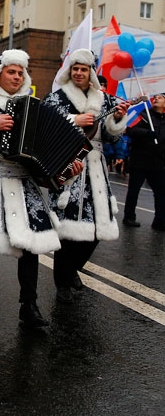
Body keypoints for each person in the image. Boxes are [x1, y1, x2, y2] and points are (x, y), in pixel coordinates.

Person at [0, 49, 75, 327]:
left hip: (24, 186)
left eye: (20, 73)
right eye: (11, 71)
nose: (16, 77)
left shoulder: (33, 105)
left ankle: (29, 305)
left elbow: (47, 150)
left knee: (31, 247)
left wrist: (67, 169)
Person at [43, 48, 129, 304]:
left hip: (97, 172)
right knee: (68, 231)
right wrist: (74, 119)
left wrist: (118, 118)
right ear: (70, 71)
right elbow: (45, 128)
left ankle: (71, 271)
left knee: (95, 232)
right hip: (69, 168)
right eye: (75, 68)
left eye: (84, 69)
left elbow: (113, 137)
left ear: (91, 72)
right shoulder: (56, 98)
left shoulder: (105, 99)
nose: (79, 73)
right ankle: (62, 283)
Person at [123, 93, 165, 231]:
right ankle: (129, 217)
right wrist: (146, 133)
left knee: (161, 193)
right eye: (155, 97)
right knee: (134, 191)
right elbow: (130, 129)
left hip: (158, 162)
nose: (156, 98)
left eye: (160, 97)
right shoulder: (143, 114)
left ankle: (160, 220)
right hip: (139, 161)